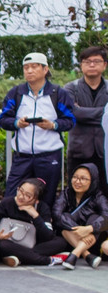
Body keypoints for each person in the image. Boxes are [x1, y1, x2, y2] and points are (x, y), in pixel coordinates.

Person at [0, 52, 75, 208]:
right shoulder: (16, 93)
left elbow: (70, 120)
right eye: (26, 67)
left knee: (47, 198)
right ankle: (13, 229)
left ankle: (44, 229)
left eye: (34, 67)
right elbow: (3, 119)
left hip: (49, 155)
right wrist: (16, 123)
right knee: (12, 196)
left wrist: (53, 125)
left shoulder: (58, 93)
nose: (29, 71)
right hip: (22, 156)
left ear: (45, 69)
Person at [65, 46, 108, 192]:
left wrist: (83, 113)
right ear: (81, 65)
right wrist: (105, 112)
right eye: (87, 61)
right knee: (78, 194)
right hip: (79, 151)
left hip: (105, 151)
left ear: (104, 65)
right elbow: (74, 113)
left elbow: (80, 113)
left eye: (96, 61)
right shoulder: (71, 88)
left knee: (105, 193)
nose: (91, 65)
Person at [50, 163, 108, 269]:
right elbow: (56, 214)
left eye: (83, 179)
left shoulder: (98, 196)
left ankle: (75, 253)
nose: (77, 181)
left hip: (92, 241)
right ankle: (86, 255)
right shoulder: (66, 193)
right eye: (75, 177)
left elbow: (106, 217)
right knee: (65, 218)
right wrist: (78, 231)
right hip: (70, 238)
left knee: (95, 218)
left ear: (92, 181)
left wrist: (89, 229)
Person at [0, 178, 59, 267]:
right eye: (20, 191)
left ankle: (19, 256)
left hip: (32, 244)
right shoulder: (6, 203)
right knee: (1, 245)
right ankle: (45, 260)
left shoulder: (43, 208)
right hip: (9, 242)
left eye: (27, 195)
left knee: (60, 242)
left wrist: (35, 216)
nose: (20, 196)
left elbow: (47, 237)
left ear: (36, 200)